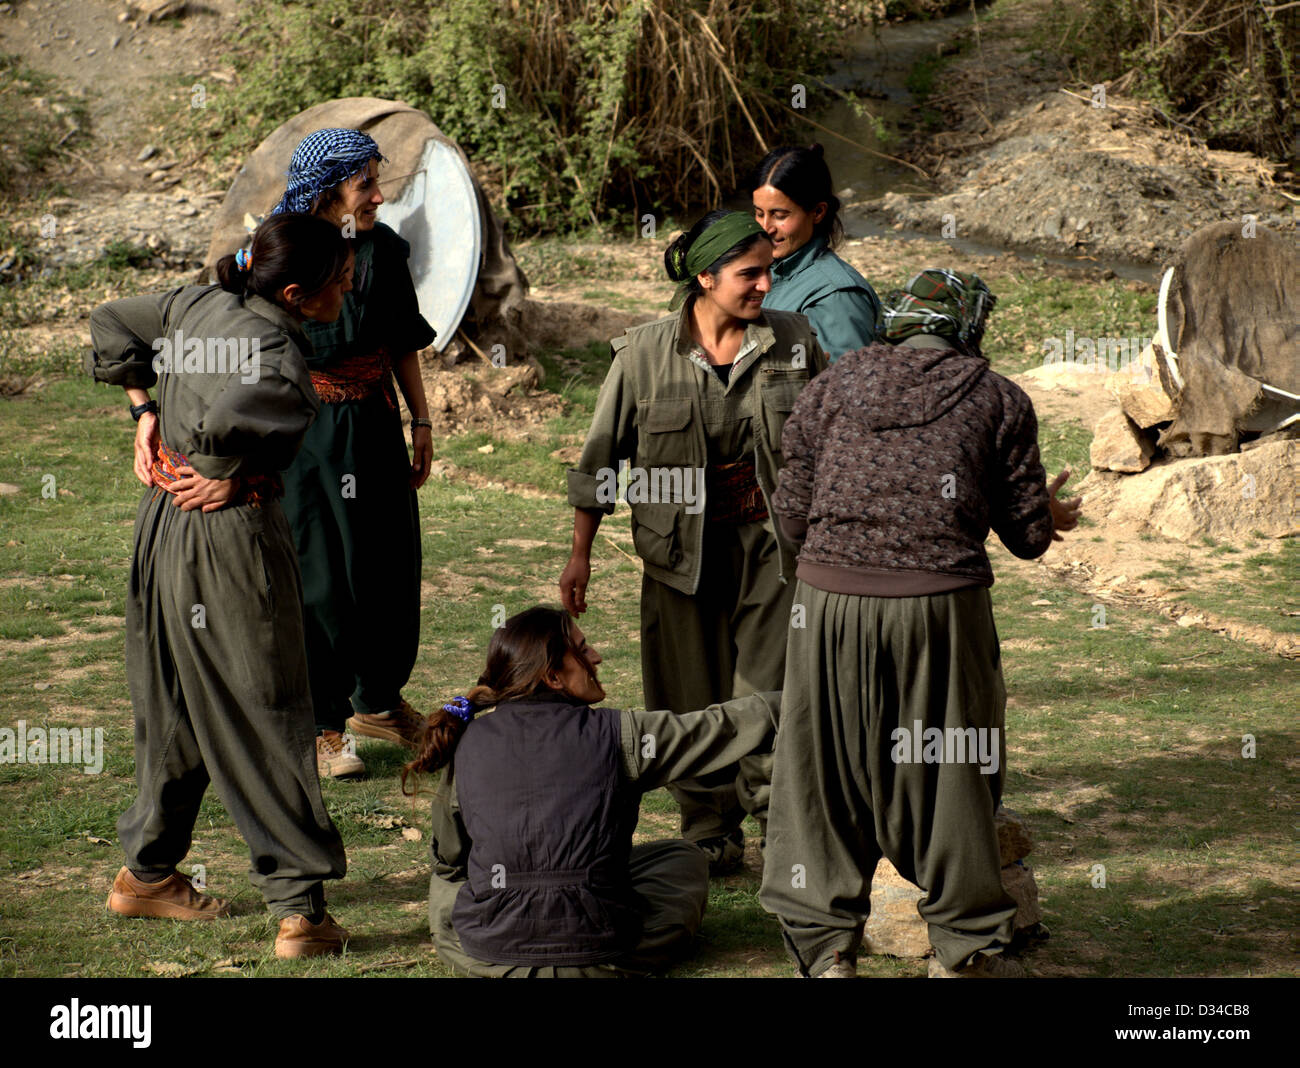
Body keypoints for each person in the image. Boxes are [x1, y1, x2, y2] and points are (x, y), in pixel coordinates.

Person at [758, 269, 1082, 978]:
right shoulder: (999, 398)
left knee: (822, 769)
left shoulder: (831, 386)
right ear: (970, 326)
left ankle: (826, 951)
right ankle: (961, 952)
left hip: (827, 604)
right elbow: (1029, 537)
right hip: (939, 608)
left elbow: (792, 517)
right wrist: (1046, 510)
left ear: (896, 322)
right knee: (950, 768)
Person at [89, 214, 356, 959]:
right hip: (229, 535)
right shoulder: (276, 353)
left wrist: (145, 412)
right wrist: (222, 467)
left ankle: (147, 873)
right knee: (266, 704)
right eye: (341, 281)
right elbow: (239, 418)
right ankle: (301, 908)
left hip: (161, 527)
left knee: (175, 700)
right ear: (296, 293)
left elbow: (112, 321)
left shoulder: (196, 302)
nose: (349, 290)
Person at [560, 210, 827, 874]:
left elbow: (833, 438)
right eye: (749, 274)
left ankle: (777, 819)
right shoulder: (642, 355)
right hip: (677, 554)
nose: (765, 285)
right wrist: (581, 554)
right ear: (706, 277)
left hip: (772, 549)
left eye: (770, 271)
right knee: (687, 692)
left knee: (770, 686)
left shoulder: (794, 340)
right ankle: (708, 824)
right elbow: (600, 461)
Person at [410, 606, 780, 977]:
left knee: (446, 880)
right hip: (602, 959)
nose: (597, 657)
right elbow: (721, 727)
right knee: (684, 858)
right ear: (553, 676)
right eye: (583, 649)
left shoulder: (467, 741)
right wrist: (798, 697)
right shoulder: (622, 734)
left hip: (491, 960)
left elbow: (449, 857)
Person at [269, 128, 437, 779]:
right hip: (306, 434)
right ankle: (321, 724)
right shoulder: (281, 251)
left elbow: (401, 340)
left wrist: (421, 419)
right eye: (365, 183)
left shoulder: (384, 251)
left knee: (385, 564)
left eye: (376, 182)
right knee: (321, 574)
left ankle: (378, 702)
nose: (378, 196)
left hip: (373, 424)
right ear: (325, 189)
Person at [751, 143, 882, 362]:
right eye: (759, 213)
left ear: (818, 212)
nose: (766, 228)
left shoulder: (835, 297)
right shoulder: (770, 269)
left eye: (780, 215)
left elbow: (847, 379)